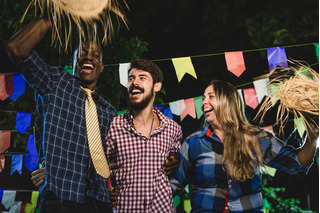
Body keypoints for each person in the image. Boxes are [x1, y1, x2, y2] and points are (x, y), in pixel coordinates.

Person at [6, 15, 117, 212]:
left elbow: (123, 156)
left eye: (95, 55)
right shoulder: (55, 82)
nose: (88, 56)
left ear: (101, 68)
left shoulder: (110, 111)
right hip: (61, 195)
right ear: (73, 61)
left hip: (99, 201)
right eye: (82, 52)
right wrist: (54, 15)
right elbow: (17, 49)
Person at [169, 79, 318, 212]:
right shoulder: (193, 143)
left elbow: (297, 162)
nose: (203, 103)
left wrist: (311, 138)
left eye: (210, 97)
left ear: (227, 101)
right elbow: (173, 186)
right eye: (202, 98)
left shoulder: (257, 138)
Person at [106, 59, 183, 212]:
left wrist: (176, 159)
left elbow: (180, 167)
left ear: (157, 86)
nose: (134, 82)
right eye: (131, 78)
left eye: (142, 78)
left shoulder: (173, 129)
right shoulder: (114, 125)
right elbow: (96, 163)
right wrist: (104, 190)